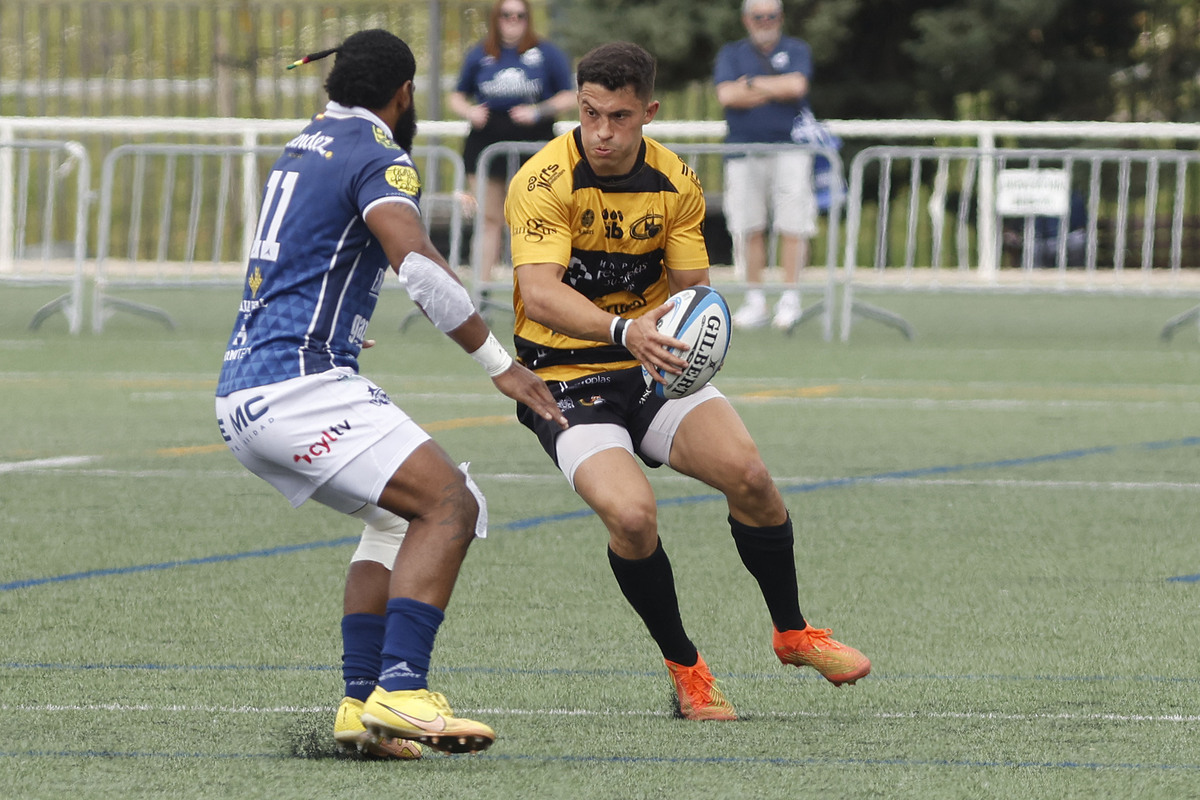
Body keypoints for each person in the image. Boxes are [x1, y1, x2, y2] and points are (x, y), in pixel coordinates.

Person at [215, 29, 567, 759]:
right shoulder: (380, 156)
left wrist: (336, 327)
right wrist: (501, 362)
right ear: (403, 94)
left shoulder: (306, 143)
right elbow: (424, 269)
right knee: (451, 504)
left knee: (397, 518)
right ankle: (404, 689)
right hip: (296, 385)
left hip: (249, 388)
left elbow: (296, 262)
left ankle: (358, 706)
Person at [503, 41, 869, 722]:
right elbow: (539, 293)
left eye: (618, 116)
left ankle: (793, 633)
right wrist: (623, 330)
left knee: (751, 476)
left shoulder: (677, 182)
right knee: (633, 516)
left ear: (649, 111)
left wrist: (688, 337)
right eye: (589, 114)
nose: (602, 132)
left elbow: (693, 290)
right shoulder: (543, 179)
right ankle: (688, 669)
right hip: (562, 378)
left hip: (652, 364)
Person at [448, 0, 575, 285]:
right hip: (486, 145)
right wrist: (469, 111)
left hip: (534, 145)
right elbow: (457, 95)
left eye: (520, 15)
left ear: (528, 18)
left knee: (535, 218)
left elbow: (569, 94)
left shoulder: (546, 53)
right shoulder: (481, 53)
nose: (513, 20)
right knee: (489, 218)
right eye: (507, 15)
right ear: (497, 18)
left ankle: (540, 288)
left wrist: (538, 111)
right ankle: (482, 291)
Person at [714, 0, 817, 331]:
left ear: (781, 17)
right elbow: (727, 95)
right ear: (747, 19)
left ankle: (790, 296)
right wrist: (775, 88)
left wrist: (753, 84)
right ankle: (754, 298)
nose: (765, 22)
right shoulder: (731, 53)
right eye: (759, 16)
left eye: (771, 16)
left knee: (792, 224)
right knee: (748, 225)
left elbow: (797, 86)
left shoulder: (796, 49)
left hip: (790, 149)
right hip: (743, 151)